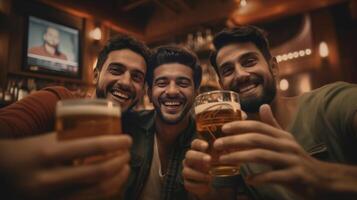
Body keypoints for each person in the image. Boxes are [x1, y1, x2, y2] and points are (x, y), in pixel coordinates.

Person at [183, 26, 357, 200]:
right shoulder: (230, 145)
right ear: (222, 86)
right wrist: (202, 191)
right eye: (228, 70)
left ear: (273, 67)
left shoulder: (331, 103)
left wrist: (322, 175)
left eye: (249, 61)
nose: (241, 74)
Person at [0, 34, 151, 199]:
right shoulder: (58, 100)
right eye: (116, 70)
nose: (126, 82)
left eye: (136, 77)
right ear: (95, 75)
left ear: (142, 89)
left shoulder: (136, 126)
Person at [123, 45, 205, 200]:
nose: (172, 91)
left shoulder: (207, 141)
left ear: (196, 93)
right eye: (162, 83)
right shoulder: (127, 126)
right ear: (149, 93)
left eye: (183, 83)